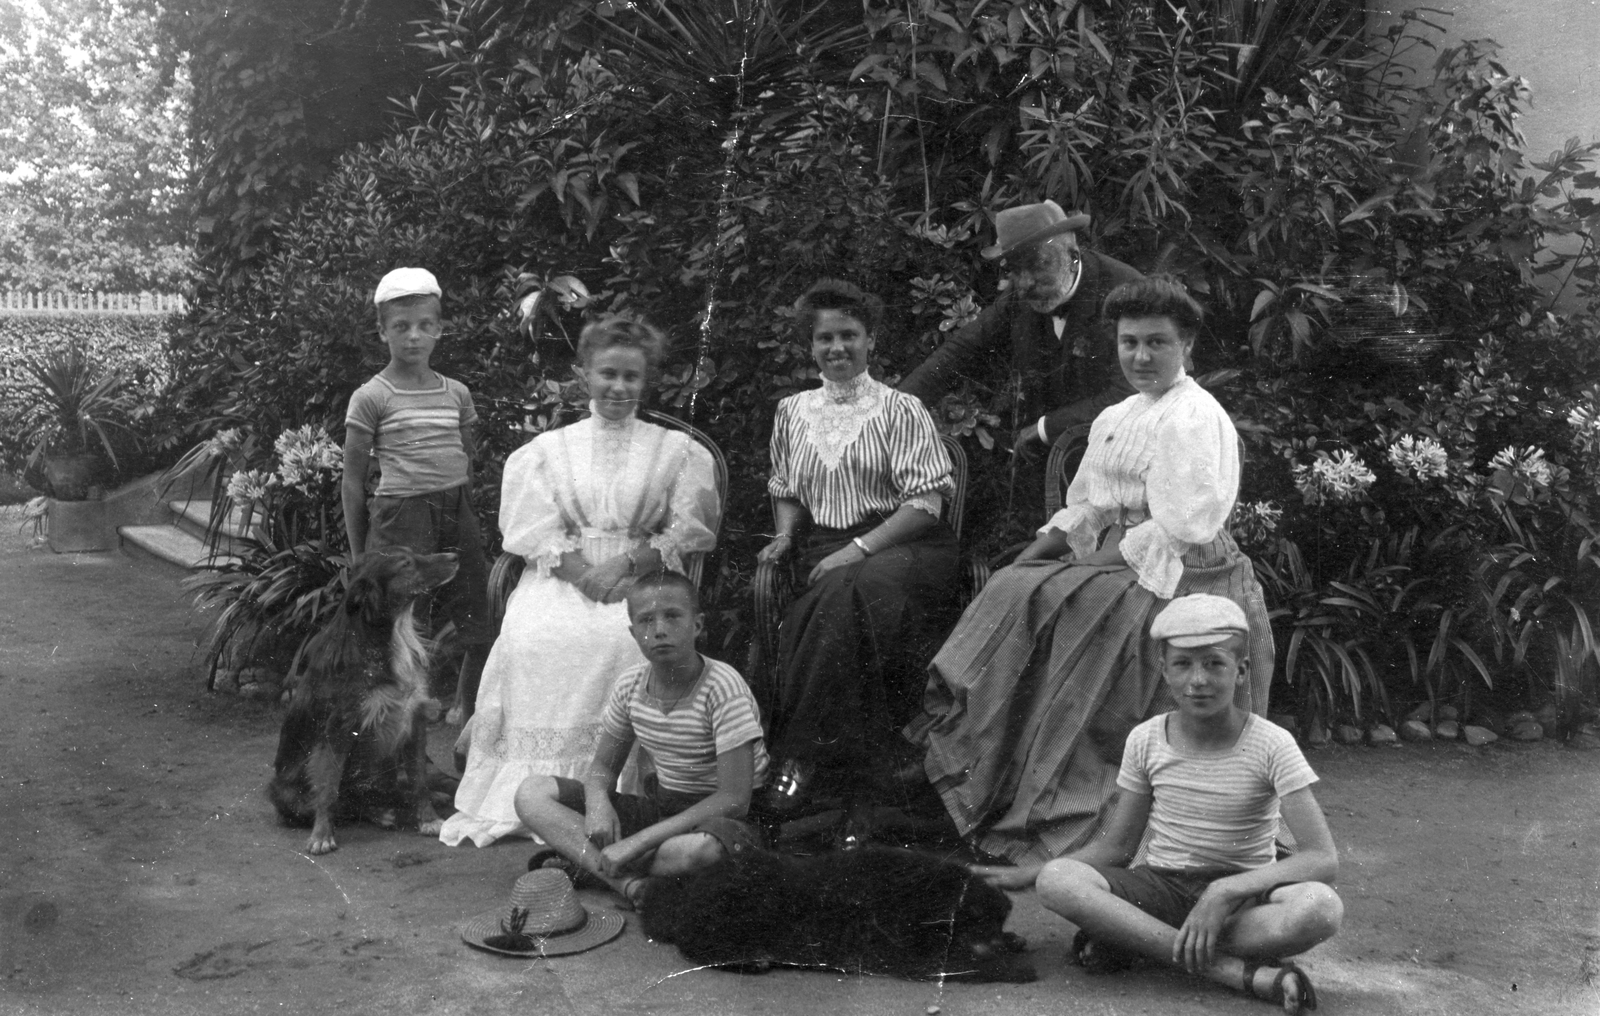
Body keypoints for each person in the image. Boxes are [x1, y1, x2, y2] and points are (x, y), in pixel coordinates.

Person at [907, 276, 1275, 864]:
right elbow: (1089, 505)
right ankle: (978, 772)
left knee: (1078, 611)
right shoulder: (1119, 414)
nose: (1141, 356)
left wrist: (1087, 561)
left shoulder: (1196, 416)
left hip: (1184, 569)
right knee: (1013, 585)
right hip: (1121, 556)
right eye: (1130, 343)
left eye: (1157, 343)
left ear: (1187, 349)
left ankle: (1056, 794)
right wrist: (1041, 550)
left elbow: (1177, 528)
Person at [977, 594, 1342, 1015]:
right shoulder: (1148, 739)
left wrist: (1225, 890)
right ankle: (1231, 971)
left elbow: (1322, 857)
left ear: (1241, 671)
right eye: (1183, 664)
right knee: (1059, 879)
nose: (1198, 680)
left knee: (1320, 908)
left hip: (1240, 898)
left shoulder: (1271, 744)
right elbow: (1117, 847)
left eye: (1214, 663)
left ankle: (1138, 941)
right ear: (1164, 671)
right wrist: (1031, 873)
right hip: (1161, 888)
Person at [439, 316, 721, 847]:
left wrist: (624, 567)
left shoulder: (677, 452)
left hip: (645, 574)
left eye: (631, 377)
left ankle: (615, 790)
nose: (618, 387)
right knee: (532, 636)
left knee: (622, 640)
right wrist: (583, 575)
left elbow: (686, 530)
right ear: (584, 375)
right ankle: (530, 787)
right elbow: (534, 531)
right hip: (561, 574)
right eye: (607, 374)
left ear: (646, 381)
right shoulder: (547, 452)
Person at [757, 279, 959, 831]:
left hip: (906, 542)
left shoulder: (901, 408)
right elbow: (786, 490)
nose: (837, 348)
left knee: (858, 587)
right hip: (824, 546)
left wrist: (857, 549)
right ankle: (869, 769)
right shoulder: (792, 412)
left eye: (849, 335)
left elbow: (926, 503)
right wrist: (783, 535)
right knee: (842, 593)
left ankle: (800, 755)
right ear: (811, 346)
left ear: (871, 340)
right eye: (825, 338)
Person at [514, 570, 767, 906]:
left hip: (722, 819)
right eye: (646, 620)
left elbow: (735, 798)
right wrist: (598, 803)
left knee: (703, 851)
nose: (659, 630)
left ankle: (592, 865)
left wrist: (638, 841)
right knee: (531, 793)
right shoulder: (631, 686)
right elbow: (603, 767)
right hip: (665, 808)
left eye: (673, 616)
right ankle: (632, 886)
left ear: (698, 625)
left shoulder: (722, 687)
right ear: (633, 633)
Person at [342, 266, 491, 726]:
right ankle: (399, 729)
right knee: (400, 624)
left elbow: (466, 456)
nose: (414, 337)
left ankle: (468, 712)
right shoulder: (371, 397)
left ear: (439, 329)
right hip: (400, 516)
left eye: (425, 325)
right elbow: (352, 480)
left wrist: (464, 509)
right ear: (382, 331)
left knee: (480, 612)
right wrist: (359, 556)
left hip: (454, 506)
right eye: (401, 327)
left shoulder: (457, 393)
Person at [899, 200, 1143, 455]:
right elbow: (961, 351)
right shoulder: (1017, 299)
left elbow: (1132, 392)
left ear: (1073, 254)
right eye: (1015, 269)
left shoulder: (1127, 292)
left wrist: (1045, 428)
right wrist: (895, 407)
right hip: (1049, 463)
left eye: (1038, 265)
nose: (1024, 283)